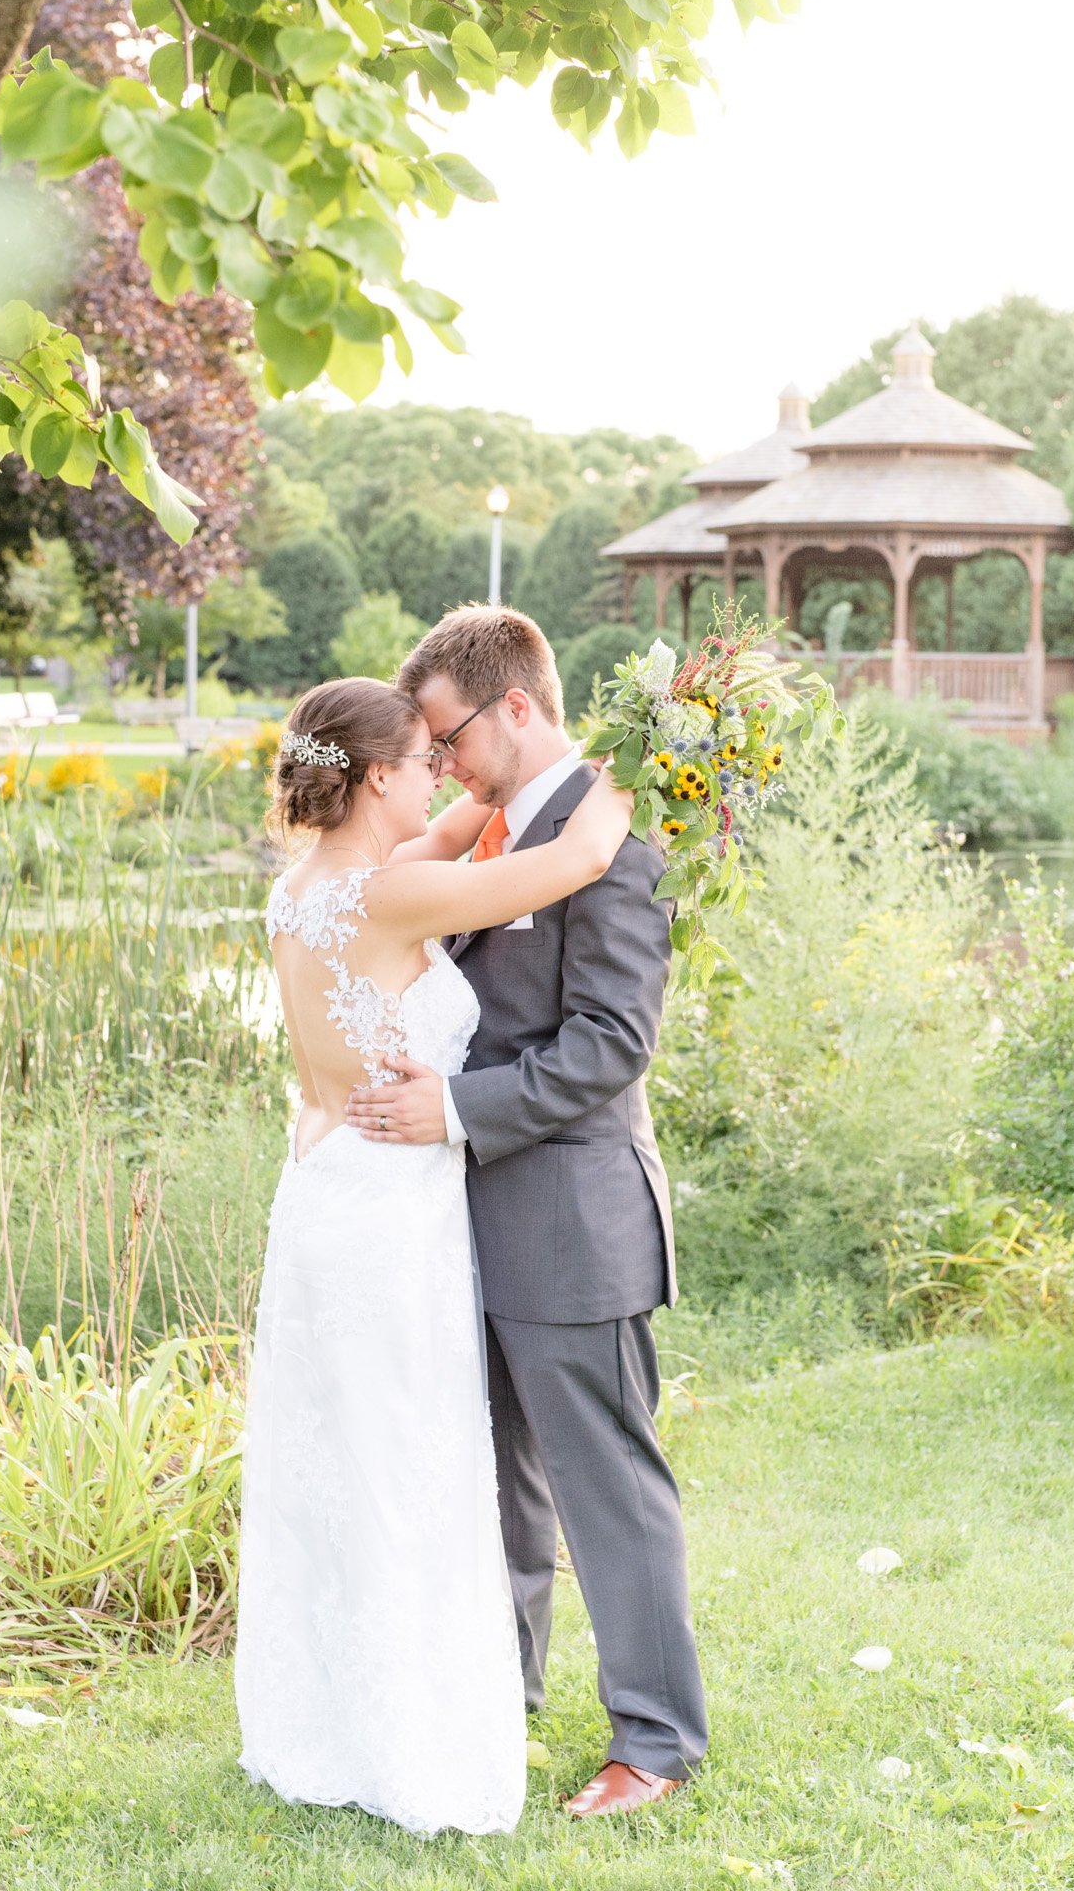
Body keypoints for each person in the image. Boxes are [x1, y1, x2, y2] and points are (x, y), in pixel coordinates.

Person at [234, 674, 634, 1836]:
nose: (442, 776)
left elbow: (456, 831)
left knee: (340, 1465)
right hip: (390, 1217)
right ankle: (409, 1741)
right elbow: (570, 859)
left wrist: (512, 762)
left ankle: (329, 1719)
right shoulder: (395, 891)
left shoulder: (305, 887)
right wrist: (644, 755)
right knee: (409, 1464)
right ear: (374, 775)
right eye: (422, 759)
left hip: (319, 1197)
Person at [345, 606, 709, 1818]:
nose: (437, 760)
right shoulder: (507, 828)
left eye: (448, 734)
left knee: (607, 1486)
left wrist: (451, 1108)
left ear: (515, 705)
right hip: (471, 1227)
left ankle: (652, 1740)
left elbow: (610, 1043)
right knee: (496, 1483)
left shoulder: (613, 837)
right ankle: (498, 1697)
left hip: (572, 1218)